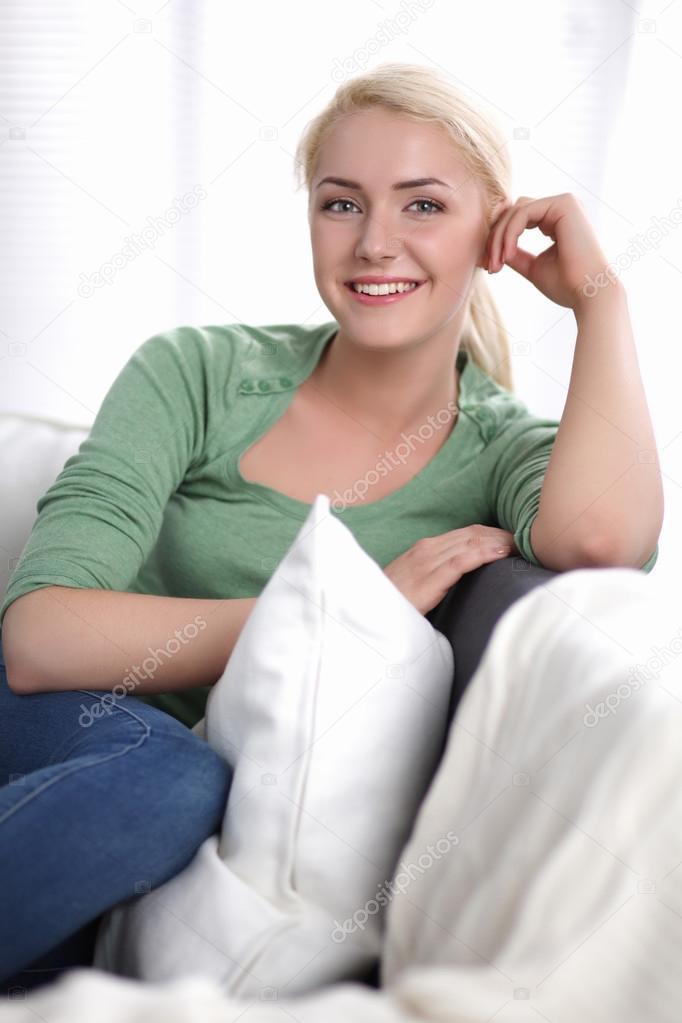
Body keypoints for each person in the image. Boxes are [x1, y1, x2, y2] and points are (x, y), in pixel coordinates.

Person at [0, 61, 661, 993]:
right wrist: (331, 611)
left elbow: (600, 549)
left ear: (494, 234)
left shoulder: (502, 451)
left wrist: (602, 299)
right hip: (55, 730)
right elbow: (37, 637)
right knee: (170, 779)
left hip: (109, 854)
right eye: (342, 204)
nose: (374, 244)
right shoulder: (198, 371)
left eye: (423, 206)